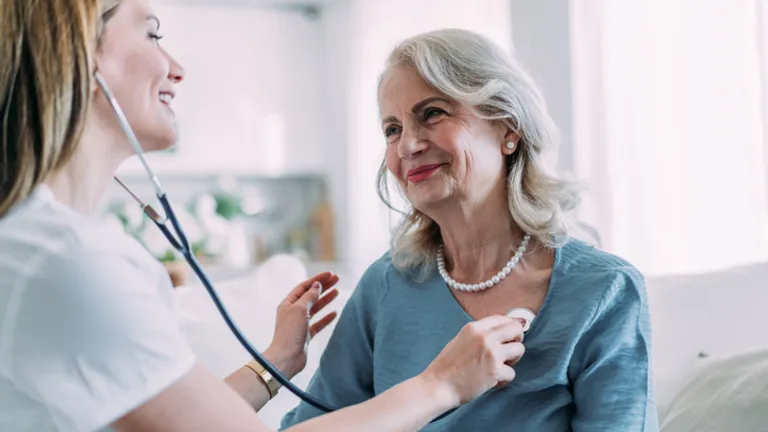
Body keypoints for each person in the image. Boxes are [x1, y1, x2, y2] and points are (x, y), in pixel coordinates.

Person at [0, 2, 528, 431]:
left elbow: (169, 414)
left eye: (432, 114)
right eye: (152, 35)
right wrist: (441, 385)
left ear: (509, 130)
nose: (176, 67)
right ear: (80, 55)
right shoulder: (65, 264)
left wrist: (276, 362)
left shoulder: (42, 247)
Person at [281, 28, 659, 431]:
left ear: (508, 128)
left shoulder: (604, 290)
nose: (408, 145)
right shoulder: (385, 285)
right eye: (392, 130)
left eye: (432, 113)